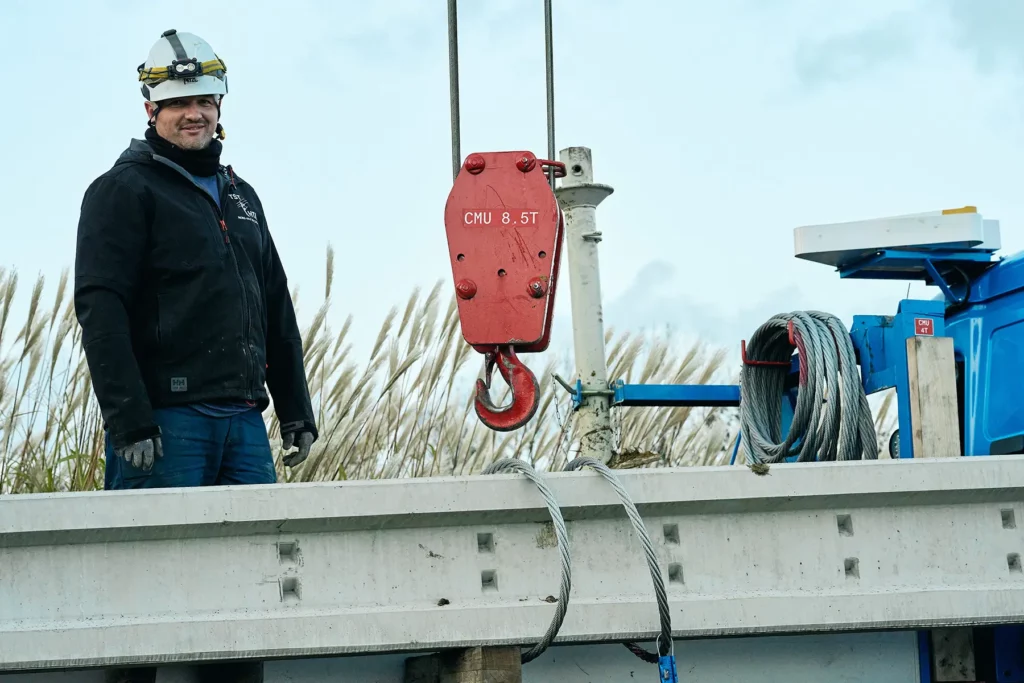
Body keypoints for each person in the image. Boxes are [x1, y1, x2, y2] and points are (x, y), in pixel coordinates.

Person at [74, 30, 317, 681]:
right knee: (145, 605)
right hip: (165, 426)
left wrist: (295, 409)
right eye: (180, 102)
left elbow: (275, 304)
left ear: (219, 105)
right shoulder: (122, 191)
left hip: (243, 425)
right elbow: (100, 308)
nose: (195, 113)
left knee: (248, 600)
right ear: (150, 109)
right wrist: (129, 421)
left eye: (205, 100)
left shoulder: (242, 195)